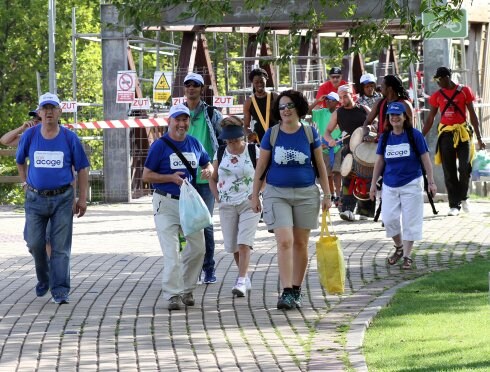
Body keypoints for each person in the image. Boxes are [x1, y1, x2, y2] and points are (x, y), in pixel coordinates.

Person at [250, 90, 332, 310]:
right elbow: (261, 166)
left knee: (301, 243)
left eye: (289, 106)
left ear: (298, 108)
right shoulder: (272, 134)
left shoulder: (309, 133)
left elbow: (320, 165)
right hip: (277, 193)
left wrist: (327, 194)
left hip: (306, 193)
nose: (285, 110)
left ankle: (296, 289)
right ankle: (286, 291)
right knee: (284, 240)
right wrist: (255, 193)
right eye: (281, 107)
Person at [16, 92, 89, 305]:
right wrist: (24, 182)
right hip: (35, 199)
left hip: (63, 199)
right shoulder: (30, 136)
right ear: (39, 112)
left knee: (60, 247)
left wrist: (82, 199)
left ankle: (60, 290)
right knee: (34, 242)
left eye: (52, 108)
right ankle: (44, 278)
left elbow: (82, 168)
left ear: (59, 111)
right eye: (44, 108)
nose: (48, 112)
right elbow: (20, 160)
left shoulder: (69, 138)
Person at [142, 103, 213, 310]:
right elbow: (146, 175)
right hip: (165, 202)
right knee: (172, 252)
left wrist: (208, 170)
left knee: (199, 248)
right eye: (177, 120)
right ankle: (173, 294)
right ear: (169, 121)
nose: (181, 124)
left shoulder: (194, 143)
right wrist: (169, 178)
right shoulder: (160, 146)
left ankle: (187, 289)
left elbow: (206, 162)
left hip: (188, 203)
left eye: (185, 119)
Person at [369, 102, 436, 269]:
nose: (394, 117)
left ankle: (407, 256)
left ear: (405, 117)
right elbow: (379, 162)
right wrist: (372, 185)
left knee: (410, 220)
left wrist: (432, 182)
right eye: (391, 115)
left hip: (412, 182)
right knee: (389, 218)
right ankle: (399, 247)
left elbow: (425, 159)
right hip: (390, 184)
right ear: (388, 118)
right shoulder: (385, 138)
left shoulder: (414, 135)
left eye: (398, 114)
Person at [208, 116, 261, 297]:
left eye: (236, 138)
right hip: (227, 204)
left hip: (249, 203)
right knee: (233, 246)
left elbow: (264, 177)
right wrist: (217, 198)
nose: (232, 142)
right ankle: (244, 277)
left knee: (244, 242)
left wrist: (257, 195)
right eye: (229, 138)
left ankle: (240, 280)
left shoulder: (254, 151)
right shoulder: (221, 152)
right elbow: (212, 179)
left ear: (242, 136)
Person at [422, 67, 486, 216]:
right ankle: (454, 205)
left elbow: (472, 114)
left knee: (464, 168)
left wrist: (479, 137)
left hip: (463, 133)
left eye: (439, 79)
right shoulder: (437, 96)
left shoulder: (464, 91)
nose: (437, 83)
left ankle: (464, 197)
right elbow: (430, 118)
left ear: (447, 77)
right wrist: (419, 136)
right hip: (445, 134)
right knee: (449, 170)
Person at [183, 72, 223, 284]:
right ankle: (191, 268)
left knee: (205, 224)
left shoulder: (211, 113)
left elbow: (223, 138)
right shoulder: (179, 114)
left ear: (202, 88)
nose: (191, 89)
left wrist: (217, 167)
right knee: (186, 225)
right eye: (188, 85)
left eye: (195, 85)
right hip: (182, 180)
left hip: (205, 177)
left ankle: (209, 268)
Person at [324, 85, 372, 221]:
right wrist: (330, 140)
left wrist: (369, 129)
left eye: (345, 96)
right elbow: (327, 132)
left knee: (366, 178)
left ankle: (365, 210)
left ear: (352, 94)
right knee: (348, 178)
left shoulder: (363, 109)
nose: (342, 99)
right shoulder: (338, 113)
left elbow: (375, 123)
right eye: (340, 97)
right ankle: (347, 210)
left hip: (365, 149)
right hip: (347, 149)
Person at [311, 92, 342, 205]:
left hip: (338, 146)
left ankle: (339, 195)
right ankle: (331, 194)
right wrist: (318, 101)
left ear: (337, 102)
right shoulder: (320, 112)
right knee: (327, 173)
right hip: (323, 146)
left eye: (332, 100)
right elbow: (305, 113)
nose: (328, 101)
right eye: (327, 99)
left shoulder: (340, 112)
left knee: (337, 172)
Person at [362, 74, 414, 140]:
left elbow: (411, 130)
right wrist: (366, 134)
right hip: (382, 145)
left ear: (390, 88)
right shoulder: (379, 102)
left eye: (382, 86)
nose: (380, 88)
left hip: (399, 145)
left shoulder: (405, 104)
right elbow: (367, 121)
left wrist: (380, 137)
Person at [243, 68, 279, 143]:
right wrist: (249, 134)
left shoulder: (275, 97)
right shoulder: (249, 102)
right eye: (256, 82)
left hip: (277, 137)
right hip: (259, 140)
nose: (259, 84)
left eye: (262, 82)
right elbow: (246, 126)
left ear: (266, 80)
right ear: (252, 83)